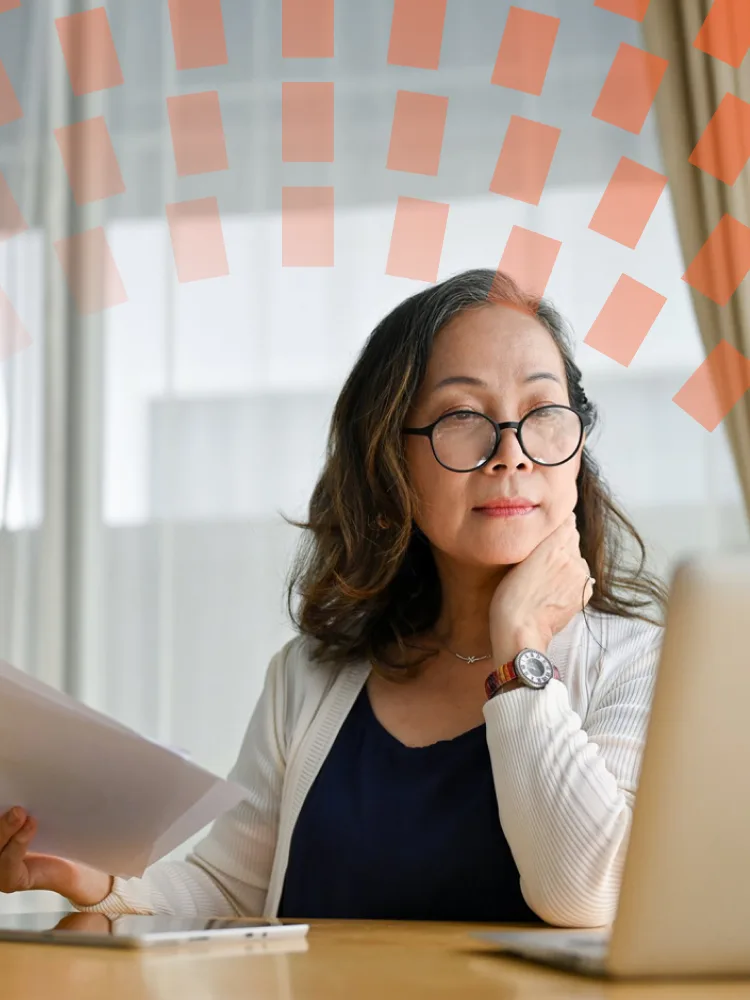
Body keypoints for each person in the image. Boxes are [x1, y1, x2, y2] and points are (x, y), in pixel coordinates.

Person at [0, 269, 667, 927]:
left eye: (542, 412)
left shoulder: (642, 663)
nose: (512, 453)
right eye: (463, 415)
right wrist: (95, 879)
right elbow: (229, 890)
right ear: (391, 459)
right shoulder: (309, 676)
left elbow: (585, 893)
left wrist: (519, 644)